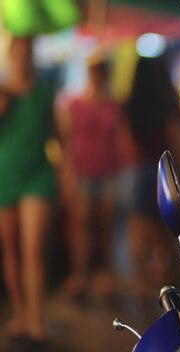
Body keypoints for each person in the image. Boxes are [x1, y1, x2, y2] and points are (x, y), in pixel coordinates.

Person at [0, 37, 57, 346]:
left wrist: (67, 174)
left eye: (27, 54)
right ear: (10, 58)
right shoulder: (3, 94)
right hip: (5, 175)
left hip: (38, 176)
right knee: (11, 250)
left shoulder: (44, 93)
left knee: (33, 250)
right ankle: (20, 314)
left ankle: (37, 318)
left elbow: (56, 136)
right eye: (17, 55)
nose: (22, 60)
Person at [57, 55, 122, 301]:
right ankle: (80, 274)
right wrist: (67, 172)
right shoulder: (75, 104)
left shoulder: (112, 104)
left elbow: (119, 138)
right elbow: (66, 141)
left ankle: (103, 275)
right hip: (83, 171)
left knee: (105, 225)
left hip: (108, 171)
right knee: (81, 225)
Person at [123, 55, 180, 302]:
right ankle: (168, 278)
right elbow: (176, 134)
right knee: (167, 227)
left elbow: (126, 140)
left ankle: (141, 281)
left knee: (139, 226)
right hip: (166, 169)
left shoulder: (132, 101)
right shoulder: (167, 99)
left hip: (140, 168)